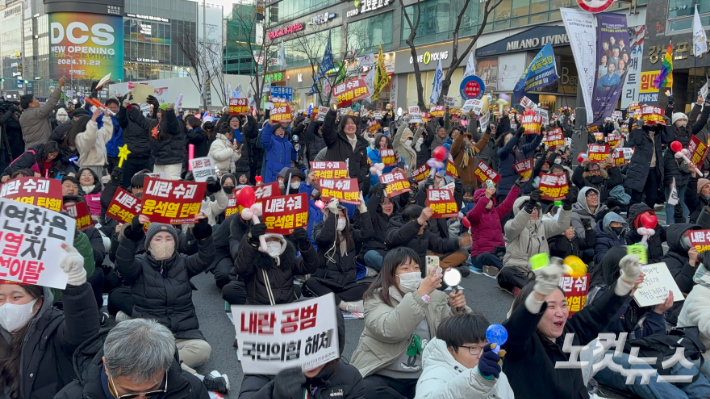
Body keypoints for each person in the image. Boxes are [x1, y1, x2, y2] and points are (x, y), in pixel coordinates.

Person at [112, 215, 227, 391]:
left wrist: (203, 234)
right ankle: (199, 379)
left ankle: (155, 364)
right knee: (147, 353)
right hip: (151, 334)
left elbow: (206, 257)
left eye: (169, 238)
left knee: (203, 350)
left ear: (175, 243)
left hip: (182, 333)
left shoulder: (184, 263)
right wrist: (132, 234)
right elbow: (124, 262)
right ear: (149, 244)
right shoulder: (139, 265)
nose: (164, 242)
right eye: (158, 239)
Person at [502, 254, 642, 398]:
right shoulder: (520, 347)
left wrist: (625, 283)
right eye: (550, 306)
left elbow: (597, 313)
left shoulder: (568, 333)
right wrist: (538, 295)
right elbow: (516, 330)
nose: (560, 313)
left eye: (563, 305)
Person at [350, 247, 469, 399]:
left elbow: (460, 335)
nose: (412, 273)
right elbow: (392, 330)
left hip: (422, 374)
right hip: (383, 373)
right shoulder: (376, 297)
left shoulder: (436, 296)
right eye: (405, 268)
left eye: (416, 268)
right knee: (366, 390)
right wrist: (419, 296)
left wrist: (456, 311)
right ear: (391, 274)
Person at [0, 243, 99, 399]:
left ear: (39, 302)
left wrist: (75, 286)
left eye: (16, 297)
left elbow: (82, 332)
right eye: (0, 299)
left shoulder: (53, 328)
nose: (7, 305)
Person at [55, 318, 210, 399]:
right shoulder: (69, 396)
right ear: (107, 367)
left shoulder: (191, 390)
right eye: (128, 394)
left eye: (152, 391)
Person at [238, 310, 365, 399]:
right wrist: (272, 394)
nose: (311, 358)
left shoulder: (350, 376)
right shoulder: (263, 370)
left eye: (319, 345)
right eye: (302, 346)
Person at [414, 313, 514, 399]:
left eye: (486, 347)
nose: (481, 355)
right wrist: (478, 379)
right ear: (451, 349)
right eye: (473, 348)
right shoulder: (436, 374)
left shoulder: (497, 374)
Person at [496, 189, 573, 296]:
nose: (534, 210)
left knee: (561, 271)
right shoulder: (511, 225)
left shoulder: (544, 225)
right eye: (530, 208)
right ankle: (534, 290)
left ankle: (525, 289)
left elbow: (562, 226)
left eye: (536, 208)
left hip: (538, 273)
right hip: (517, 271)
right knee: (506, 272)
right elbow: (515, 227)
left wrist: (567, 206)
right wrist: (529, 206)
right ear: (519, 211)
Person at [305, 196, 372, 313]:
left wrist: (363, 210)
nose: (340, 218)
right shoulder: (319, 228)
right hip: (327, 283)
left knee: (371, 286)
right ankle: (344, 305)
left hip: (347, 286)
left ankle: (331, 300)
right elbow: (323, 238)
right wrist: (333, 215)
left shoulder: (350, 232)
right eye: (337, 215)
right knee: (311, 283)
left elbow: (367, 234)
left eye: (342, 216)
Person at [228, 223, 318, 305]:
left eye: (275, 239)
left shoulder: (287, 258)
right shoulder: (253, 259)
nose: (272, 242)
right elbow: (241, 269)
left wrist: (304, 244)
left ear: (281, 241)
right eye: (267, 240)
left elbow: (310, 266)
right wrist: (252, 243)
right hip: (260, 310)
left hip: (286, 309)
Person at [466, 179, 521, 275]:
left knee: (514, 256)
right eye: (484, 198)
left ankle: (493, 268)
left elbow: (508, 203)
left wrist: (516, 186)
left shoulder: (496, 213)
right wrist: (486, 196)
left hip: (499, 252)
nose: (488, 201)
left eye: (490, 198)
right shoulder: (473, 215)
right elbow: (474, 213)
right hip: (480, 255)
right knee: (488, 256)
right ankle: (507, 272)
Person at [322, 109, 370, 189]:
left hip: (353, 187)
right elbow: (326, 128)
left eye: (353, 123)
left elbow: (364, 166)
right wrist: (332, 111)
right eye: (347, 123)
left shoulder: (362, 144)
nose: (350, 125)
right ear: (342, 126)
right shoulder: (335, 139)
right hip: (334, 185)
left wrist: (358, 179)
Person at [625, 122, 666, 209]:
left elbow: (669, 138)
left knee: (651, 198)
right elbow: (636, 141)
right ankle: (632, 219)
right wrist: (639, 127)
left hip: (654, 170)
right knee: (636, 198)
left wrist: (668, 124)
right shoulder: (640, 132)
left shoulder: (659, 133)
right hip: (639, 169)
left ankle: (648, 219)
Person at [117, 95, 154, 189]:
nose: (134, 111)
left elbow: (155, 122)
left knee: (147, 185)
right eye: (131, 109)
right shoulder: (125, 123)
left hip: (145, 157)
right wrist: (122, 106)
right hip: (130, 157)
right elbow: (121, 117)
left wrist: (155, 107)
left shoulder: (147, 122)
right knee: (127, 184)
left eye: (136, 110)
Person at [20, 76, 66, 149]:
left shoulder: (23, 116)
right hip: (40, 148)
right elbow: (51, 103)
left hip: (30, 148)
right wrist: (59, 86)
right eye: (35, 100)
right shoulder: (36, 113)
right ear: (30, 104)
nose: (37, 101)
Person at [1, 140, 75, 182]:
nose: (51, 157)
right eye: (50, 154)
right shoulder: (32, 155)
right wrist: (32, 173)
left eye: (54, 156)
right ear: (46, 151)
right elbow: (15, 168)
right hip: (12, 178)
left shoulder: (55, 162)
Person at [449, 125, 491, 190]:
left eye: (468, 137)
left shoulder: (471, 150)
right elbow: (456, 144)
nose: (467, 139)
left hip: (473, 186)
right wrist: (461, 134)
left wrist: (487, 133)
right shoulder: (455, 151)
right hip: (461, 186)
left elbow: (481, 144)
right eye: (464, 137)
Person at [75, 108, 113, 177]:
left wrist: (107, 118)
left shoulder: (98, 134)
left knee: (102, 186)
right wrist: (92, 121)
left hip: (102, 166)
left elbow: (107, 131)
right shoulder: (80, 137)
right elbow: (89, 138)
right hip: (88, 168)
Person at [149, 105, 184, 180]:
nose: (158, 114)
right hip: (158, 160)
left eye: (161, 112)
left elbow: (172, 122)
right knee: (156, 185)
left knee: (171, 185)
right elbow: (141, 120)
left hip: (173, 161)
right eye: (158, 112)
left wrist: (170, 112)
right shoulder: (154, 125)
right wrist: (129, 108)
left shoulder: (175, 125)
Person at [104, 98, 123, 174]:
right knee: (106, 175)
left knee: (118, 174)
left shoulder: (122, 118)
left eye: (114, 107)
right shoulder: (102, 119)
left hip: (119, 152)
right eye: (110, 107)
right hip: (106, 153)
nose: (112, 109)